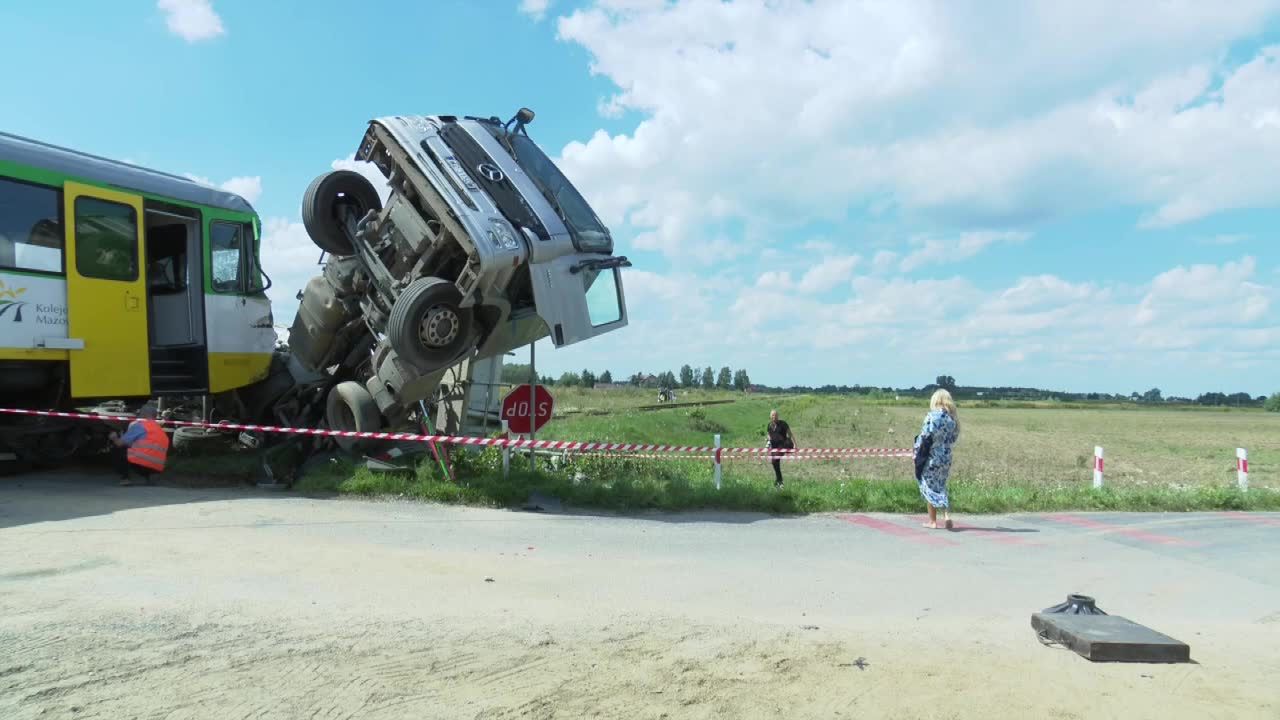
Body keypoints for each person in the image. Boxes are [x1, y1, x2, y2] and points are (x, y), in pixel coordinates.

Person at [914, 389, 960, 529]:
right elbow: (953, 438)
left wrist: (916, 450)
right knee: (941, 485)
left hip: (932, 457)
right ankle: (947, 516)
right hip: (946, 457)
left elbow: (924, 437)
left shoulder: (931, 417)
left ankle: (932, 521)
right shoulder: (952, 419)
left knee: (929, 486)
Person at [107, 402, 169, 486]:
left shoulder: (139, 426)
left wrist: (114, 437)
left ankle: (125, 478)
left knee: (118, 449)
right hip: (157, 466)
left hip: (141, 463)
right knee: (138, 453)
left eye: (140, 413)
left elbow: (120, 443)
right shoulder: (159, 429)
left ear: (144, 414)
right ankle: (150, 475)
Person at [766, 409, 796, 489]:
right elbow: (768, 434)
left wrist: (795, 444)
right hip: (773, 446)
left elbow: (790, 433)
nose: (774, 416)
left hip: (782, 445)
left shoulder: (783, 423)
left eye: (775, 415)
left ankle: (779, 481)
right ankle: (779, 480)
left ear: (778, 416)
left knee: (775, 460)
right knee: (774, 462)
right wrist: (768, 439)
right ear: (770, 416)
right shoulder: (769, 425)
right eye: (772, 415)